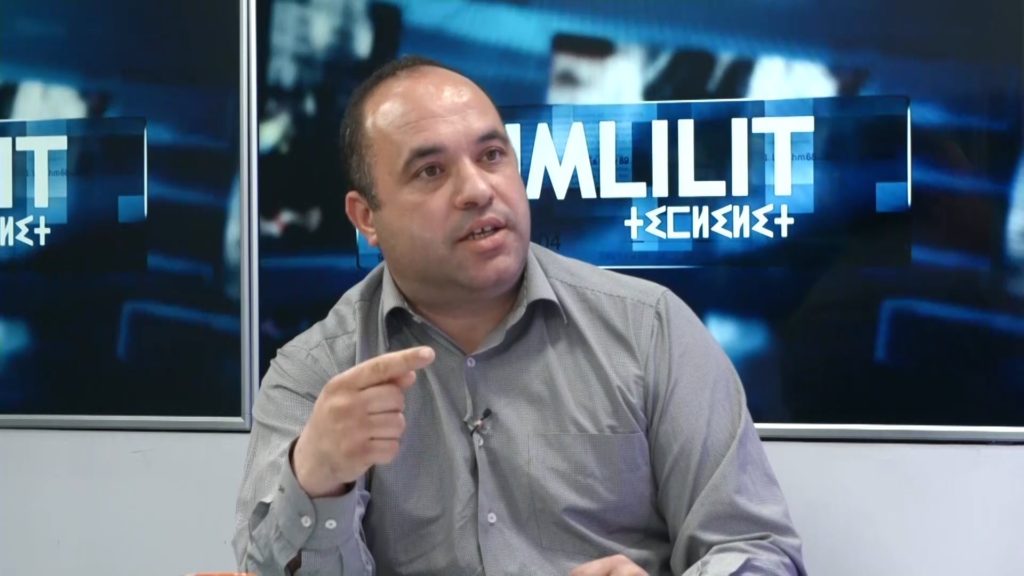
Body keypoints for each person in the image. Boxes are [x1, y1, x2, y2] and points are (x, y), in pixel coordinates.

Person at [233, 55, 806, 576]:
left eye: (492, 155)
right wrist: (317, 479)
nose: (477, 189)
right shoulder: (316, 374)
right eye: (430, 171)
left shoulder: (649, 329)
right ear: (366, 218)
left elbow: (758, 550)